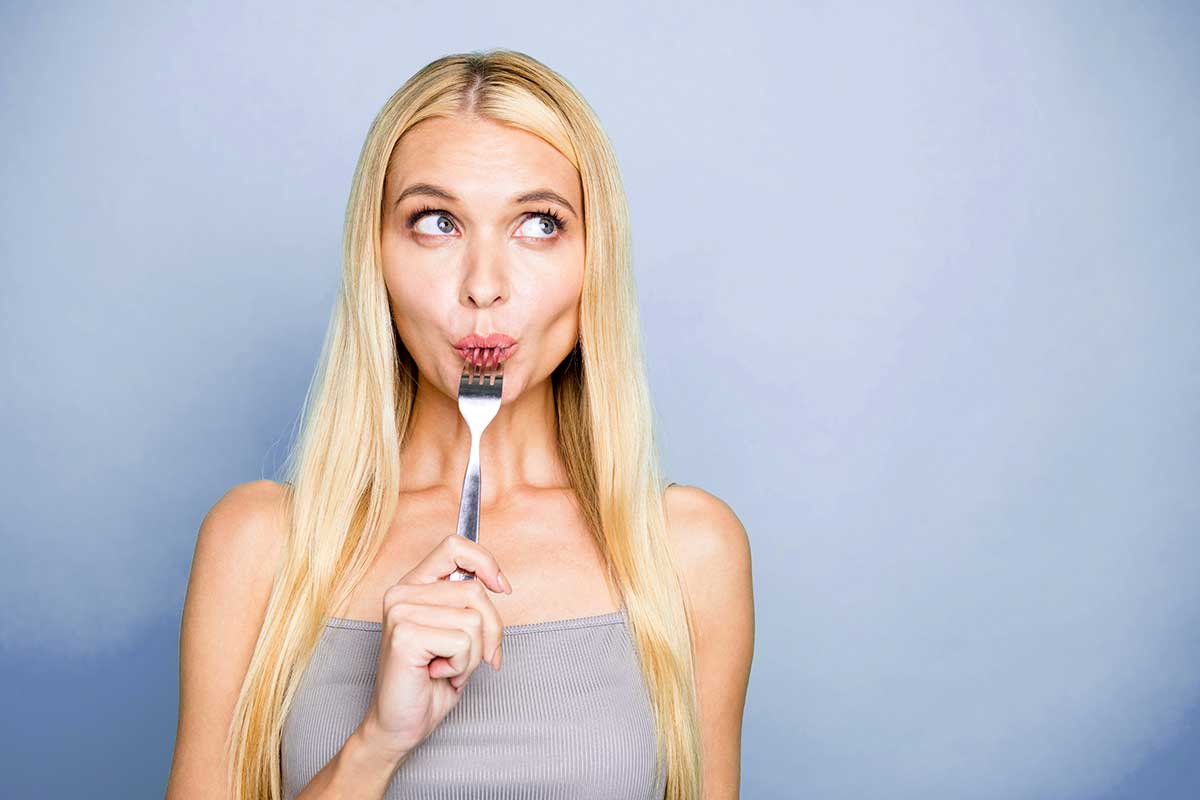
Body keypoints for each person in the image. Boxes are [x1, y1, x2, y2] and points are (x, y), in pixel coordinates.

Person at [166, 48, 754, 800]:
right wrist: (378, 744)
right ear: (373, 256)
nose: (484, 286)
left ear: (592, 260)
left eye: (539, 224)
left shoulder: (687, 552)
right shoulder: (258, 546)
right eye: (436, 222)